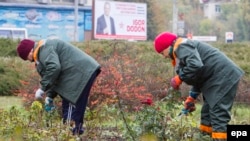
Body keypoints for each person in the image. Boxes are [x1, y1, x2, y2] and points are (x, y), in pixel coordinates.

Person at [153, 32, 244, 141]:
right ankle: (205, 138)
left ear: (167, 47)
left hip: (223, 77)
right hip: (215, 79)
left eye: (162, 53)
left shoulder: (181, 46)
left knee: (218, 114)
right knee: (206, 114)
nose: (164, 57)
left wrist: (179, 78)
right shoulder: (182, 50)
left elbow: (195, 65)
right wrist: (191, 98)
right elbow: (198, 75)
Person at [16, 38, 101, 135]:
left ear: (30, 51)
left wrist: (42, 88)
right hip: (82, 72)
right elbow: (55, 77)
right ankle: (75, 132)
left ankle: (70, 134)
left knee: (70, 104)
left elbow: (54, 68)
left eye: (27, 58)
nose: (29, 60)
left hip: (80, 72)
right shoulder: (42, 51)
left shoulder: (43, 50)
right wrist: (50, 96)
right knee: (74, 106)